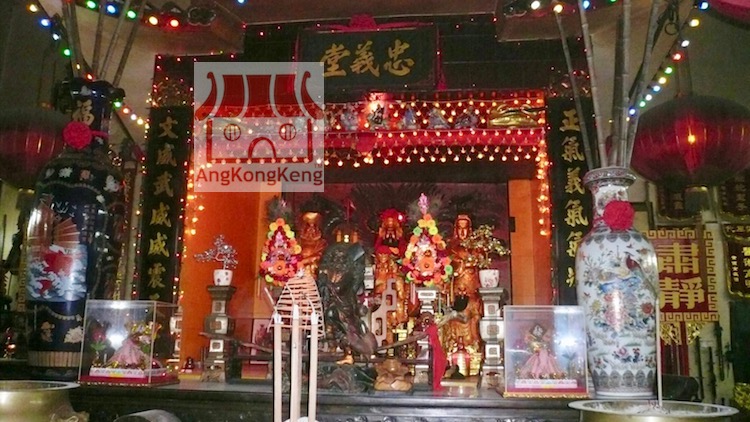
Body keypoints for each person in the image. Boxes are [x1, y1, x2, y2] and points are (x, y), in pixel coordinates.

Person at [298, 211, 326, 276]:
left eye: (313, 227)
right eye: (308, 227)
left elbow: (320, 255)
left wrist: (309, 259)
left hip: (313, 265)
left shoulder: (321, 242)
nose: (310, 230)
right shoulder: (298, 240)